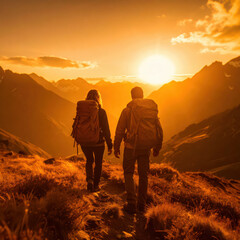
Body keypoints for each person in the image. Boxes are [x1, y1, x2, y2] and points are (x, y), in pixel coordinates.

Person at [114, 87, 163, 214]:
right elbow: (158, 129)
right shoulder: (150, 110)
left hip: (131, 147)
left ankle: (131, 203)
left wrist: (116, 146)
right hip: (146, 147)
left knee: (129, 173)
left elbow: (120, 130)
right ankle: (141, 205)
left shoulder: (127, 111)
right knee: (143, 175)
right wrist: (157, 147)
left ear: (131, 96)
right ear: (142, 95)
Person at [80, 90, 112, 192]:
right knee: (98, 163)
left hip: (84, 141)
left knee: (89, 161)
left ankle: (89, 180)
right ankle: (96, 185)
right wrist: (110, 145)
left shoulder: (82, 111)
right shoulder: (101, 112)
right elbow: (106, 129)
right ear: (98, 98)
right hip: (98, 142)